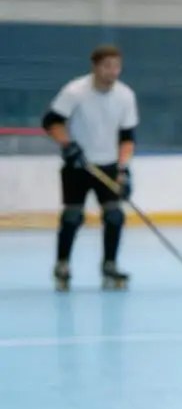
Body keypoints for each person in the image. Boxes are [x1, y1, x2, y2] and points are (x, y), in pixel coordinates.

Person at [41, 44, 138, 291]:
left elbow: (127, 137)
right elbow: (51, 122)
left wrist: (124, 169)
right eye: (107, 66)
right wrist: (67, 144)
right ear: (95, 67)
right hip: (78, 164)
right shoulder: (75, 91)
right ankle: (62, 265)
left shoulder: (125, 96)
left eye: (117, 66)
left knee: (114, 216)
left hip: (108, 165)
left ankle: (110, 265)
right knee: (72, 217)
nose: (113, 72)